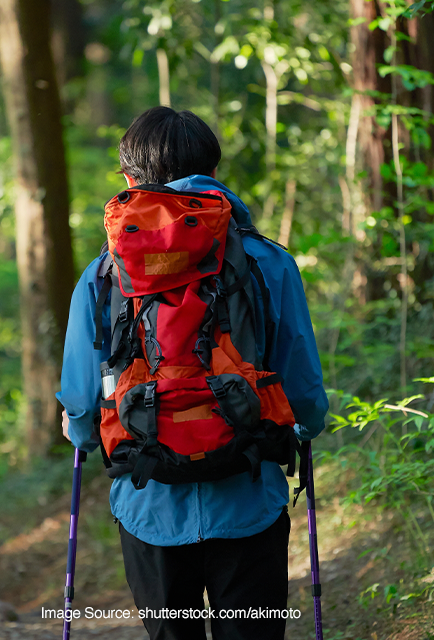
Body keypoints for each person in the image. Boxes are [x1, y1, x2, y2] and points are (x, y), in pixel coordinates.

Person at [57, 106, 328, 640]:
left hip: (148, 499)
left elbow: (83, 407)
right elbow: (303, 390)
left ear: (131, 179)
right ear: (212, 171)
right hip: (249, 489)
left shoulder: (104, 273)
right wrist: (306, 426)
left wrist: (82, 431)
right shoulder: (267, 261)